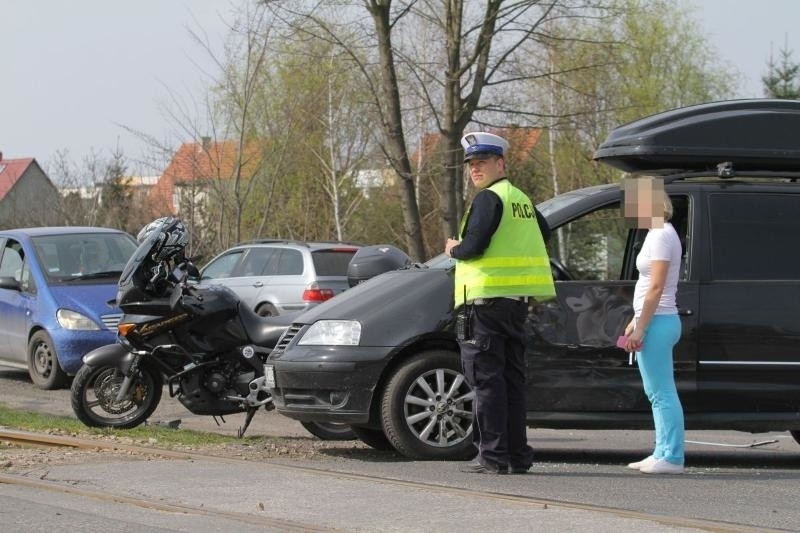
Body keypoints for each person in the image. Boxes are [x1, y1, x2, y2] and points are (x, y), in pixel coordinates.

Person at [445, 131, 555, 475]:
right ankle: (517, 456)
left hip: (485, 305)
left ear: (500, 163)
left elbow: (474, 246)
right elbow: (545, 231)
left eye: (482, 163)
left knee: (486, 382)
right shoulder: (520, 199)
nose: (475, 170)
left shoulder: (488, 199)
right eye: (472, 165)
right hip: (515, 305)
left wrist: (453, 248)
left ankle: (492, 456)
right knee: (510, 382)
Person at [622, 177, 685, 475]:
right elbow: (648, 283)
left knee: (662, 392)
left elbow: (657, 286)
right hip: (654, 319)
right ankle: (662, 451)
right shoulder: (654, 233)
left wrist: (642, 327)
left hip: (659, 321)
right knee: (656, 391)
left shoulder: (661, 234)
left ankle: (672, 456)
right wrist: (636, 319)